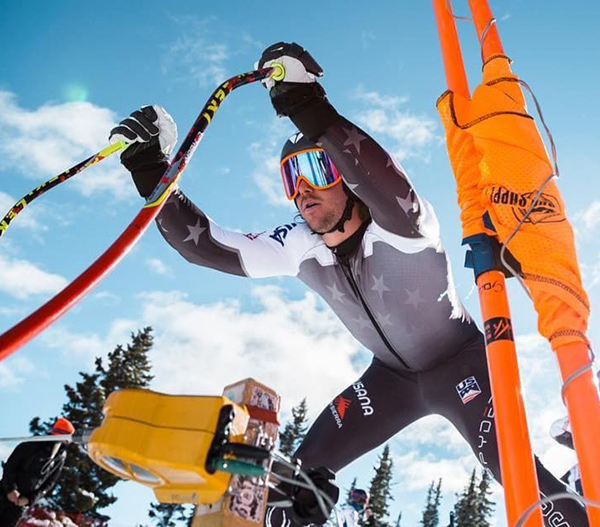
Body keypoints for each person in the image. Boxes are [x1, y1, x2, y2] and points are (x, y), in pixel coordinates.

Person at [111, 42, 588, 526]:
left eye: (316, 170)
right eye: (290, 177)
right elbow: (204, 246)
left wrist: (306, 104)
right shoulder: (299, 243)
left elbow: (382, 175)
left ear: (348, 180)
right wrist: (148, 165)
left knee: (515, 473)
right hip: (390, 382)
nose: (303, 191)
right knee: (289, 484)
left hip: (461, 363)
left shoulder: (405, 226)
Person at [0, 418, 74, 527]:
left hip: (19, 504)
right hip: (3, 493)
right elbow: (10, 467)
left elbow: (48, 484)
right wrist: (11, 489)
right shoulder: (32, 444)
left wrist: (28, 500)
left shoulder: (60, 458)